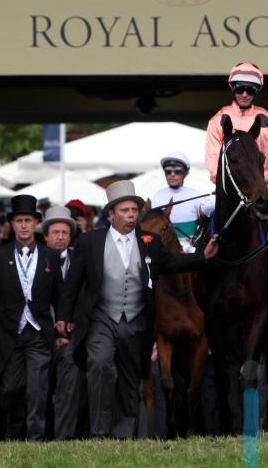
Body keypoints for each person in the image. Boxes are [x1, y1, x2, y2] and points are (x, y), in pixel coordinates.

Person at [56, 180, 219, 439]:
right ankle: (99, 433)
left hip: (136, 318)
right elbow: (74, 281)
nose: (131, 215)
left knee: (131, 377)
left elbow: (171, 263)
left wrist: (203, 257)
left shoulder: (150, 242)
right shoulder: (90, 242)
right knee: (99, 363)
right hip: (102, 316)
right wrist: (63, 316)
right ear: (110, 213)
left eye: (134, 210)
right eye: (124, 210)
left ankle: (123, 434)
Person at [0, 194, 63, 441]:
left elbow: (61, 296)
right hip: (9, 333)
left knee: (37, 389)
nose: (24, 225)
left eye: (28, 220)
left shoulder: (51, 256)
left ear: (36, 223)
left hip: (39, 332)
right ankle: (14, 434)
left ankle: (35, 439)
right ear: (11, 224)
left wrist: (63, 325)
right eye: (19, 221)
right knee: (11, 389)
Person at [41, 205, 86, 440]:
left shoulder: (80, 259)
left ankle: (64, 437)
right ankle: (39, 434)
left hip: (73, 335)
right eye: (55, 233)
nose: (60, 237)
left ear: (71, 236)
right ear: (46, 235)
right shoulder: (34, 259)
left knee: (70, 372)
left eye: (65, 233)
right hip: (39, 335)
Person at [205, 61, 268, 189]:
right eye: (240, 89)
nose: (244, 94)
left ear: (257, 91)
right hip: (228, 186)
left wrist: (263, 178)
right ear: (233, 88)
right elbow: (213, 158)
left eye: (250, 90)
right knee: (206, 208)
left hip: (261, 186)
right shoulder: (217, 120)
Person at [149, 151, 211, 253]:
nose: (172, 175)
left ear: (185, 173)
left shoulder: (196, 195)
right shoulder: (158, 196)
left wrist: (197, 239)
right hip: (166, 250)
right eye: (168, 171)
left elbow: (205, 224)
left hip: (191, 250)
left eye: (177, 171)